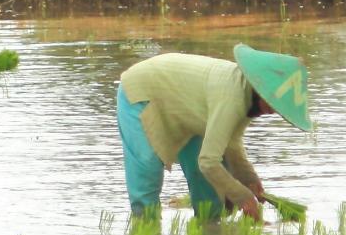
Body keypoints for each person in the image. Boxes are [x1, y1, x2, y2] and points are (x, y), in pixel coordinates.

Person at [117, 44, 311, 218]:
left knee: (209, 196)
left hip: (187, 109)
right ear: (261, 89)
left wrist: (249, 179)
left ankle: (210, 234)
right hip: (143, 92)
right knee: (147, 173)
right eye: (274, 103)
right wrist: (242, 196)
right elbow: (208, 162)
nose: (273, 111)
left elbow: (232, 144)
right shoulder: (232, 98)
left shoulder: (247, 95)